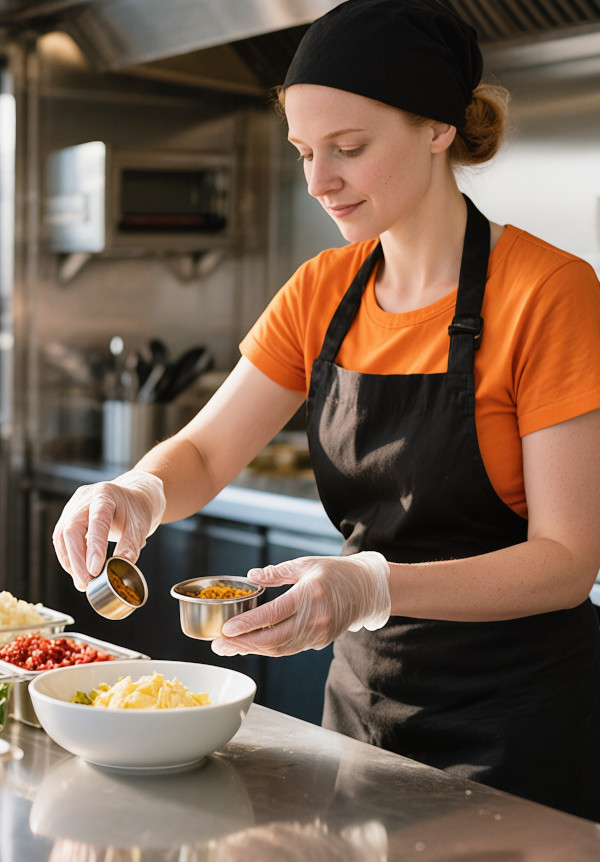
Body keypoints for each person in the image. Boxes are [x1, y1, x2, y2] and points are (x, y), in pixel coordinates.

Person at [53, 0, 600, 820]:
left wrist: (366, 586)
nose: (320, 181)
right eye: (305, 152)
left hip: (521, 728)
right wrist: (138, 491)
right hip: (362, 715)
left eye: (349, 148)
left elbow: (567, 561)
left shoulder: (550, 292)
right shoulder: (322, 291)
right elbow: (203, 455)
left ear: (438, 127)